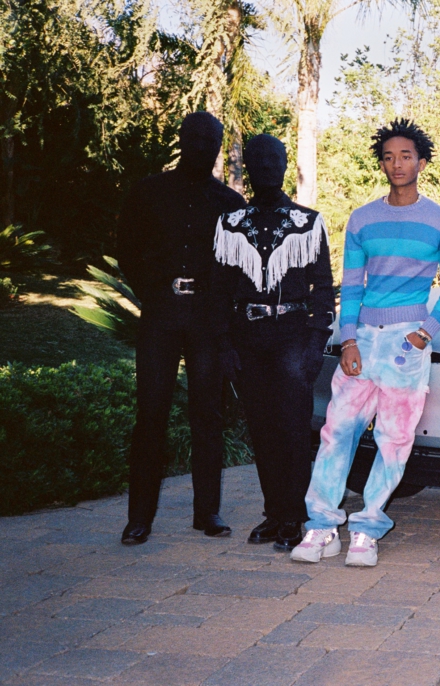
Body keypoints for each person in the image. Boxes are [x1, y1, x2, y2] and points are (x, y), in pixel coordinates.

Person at [290, 119, 440, 566]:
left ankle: (367, 528)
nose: (397, 164)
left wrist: (424, 333)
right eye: (389, 157)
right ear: (382, 165)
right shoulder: (363, 219)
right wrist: (348, 340)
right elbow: (351, 287)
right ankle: (322, 526)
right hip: (363, 340)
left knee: (394, 439)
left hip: (408, 345)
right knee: (336, 431)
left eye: (406, 156)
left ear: (421, 163)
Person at [116, 112, 246, 545]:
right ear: (182, 140)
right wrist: (154, 293)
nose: (203, 147)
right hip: (161, 317)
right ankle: (139, 518)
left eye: (212, 141)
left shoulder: (230, 203)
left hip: (207, 321)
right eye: (195, 138)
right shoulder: (148, 191)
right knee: (150, 414)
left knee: (207, 414)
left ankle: (207, 512)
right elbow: (127, 249)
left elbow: (237, 266)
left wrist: (220, 311)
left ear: (218, 146)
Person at [210, 134, 334, 551]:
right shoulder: (231, 224)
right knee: (261, 429)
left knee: (294, 429)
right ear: (247, 166)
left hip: (293, 338)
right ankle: (273, 513)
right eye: (258, 159)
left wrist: (316, 342)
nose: (266, 166)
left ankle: (294, 515)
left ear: (285, 164)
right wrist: (225, 345)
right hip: (247, 339)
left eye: (274, 159)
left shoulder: (307, 222)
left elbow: (322, 288)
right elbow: (219, 292)